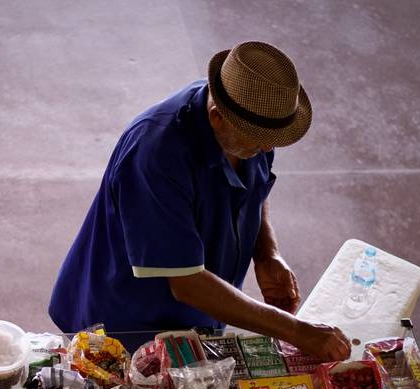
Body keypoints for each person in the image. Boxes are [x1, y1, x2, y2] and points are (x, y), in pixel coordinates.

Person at [49, 41, 350, 361]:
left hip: (197, 316)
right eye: (260, 141)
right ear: (217, 117)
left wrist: (267, 253)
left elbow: (255, 189)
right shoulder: (156, 154)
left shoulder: (253, 122)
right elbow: (187, 283)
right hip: (124, 324)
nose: (267, 149)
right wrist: (297, 331)